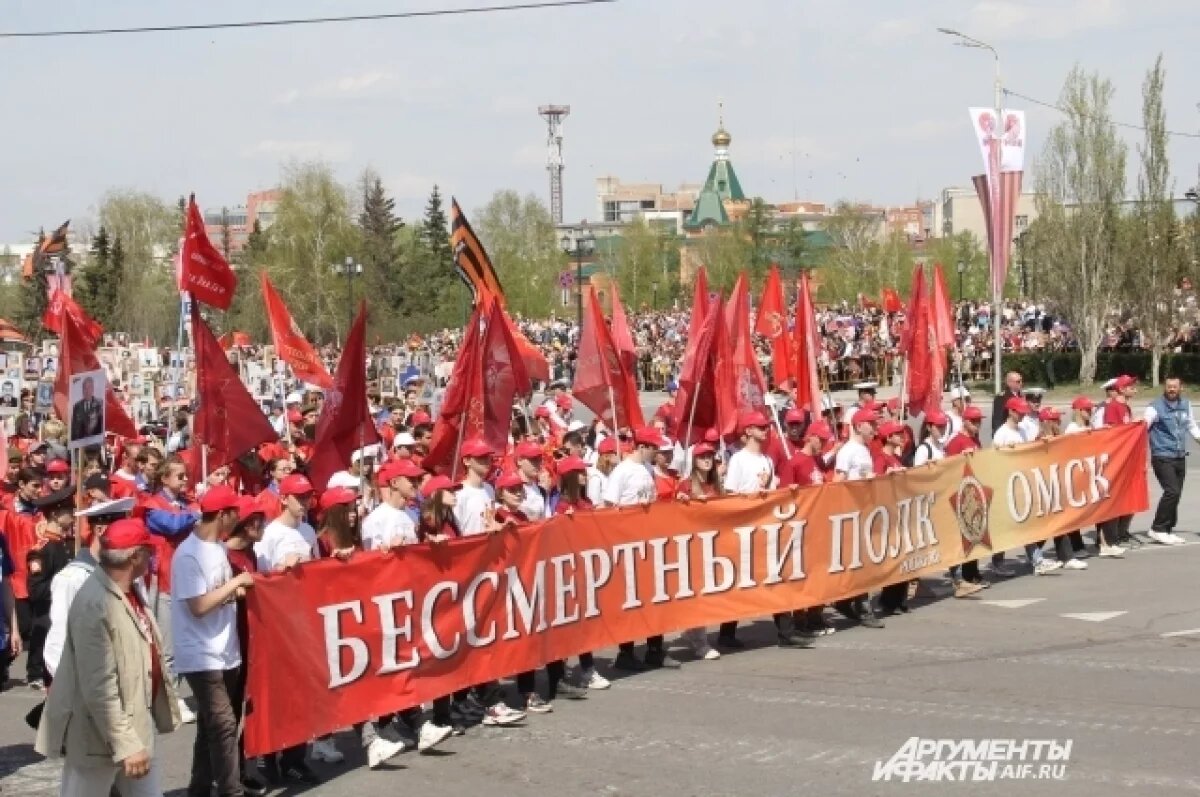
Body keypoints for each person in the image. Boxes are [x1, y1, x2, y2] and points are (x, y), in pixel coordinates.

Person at [35, 518, 182, 797]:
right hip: (97, 737)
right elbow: (98, 687)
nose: (152, 558)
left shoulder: (130, 591)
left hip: (136, 724)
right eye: (148, 552)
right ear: (135, 556)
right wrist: (126, 744)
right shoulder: (94, 602)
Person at [171, 485, 256, 797]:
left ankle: (200, 787)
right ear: (223, 515)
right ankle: (231, 790)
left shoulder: (218, 548)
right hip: (200, 653)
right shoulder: (188, 554)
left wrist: (241, 589)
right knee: (223, 724)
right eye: (235, 514)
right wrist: (235, 583)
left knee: (210, 726)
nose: (238, 520)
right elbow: (199, 606)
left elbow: (223, 593)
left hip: (225, 649)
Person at [604, 427, 678, 671]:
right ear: (643, 447)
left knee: (655, 597)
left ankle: (655, 648)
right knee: (631, 600)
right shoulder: (622, 471)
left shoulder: (647, 469)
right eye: (653, 447)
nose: (656, 452)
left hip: (648, 541)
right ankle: (626, 651)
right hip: (628, 542)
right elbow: (609, 507)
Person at [44, 498, 137, 682]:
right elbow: (60, 637)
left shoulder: (129, 574)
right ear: (100, 530)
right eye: (121, 529)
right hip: (84, 681)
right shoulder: (73, 578)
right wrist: (71, 683)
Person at [142, 455, 200, 724]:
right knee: (168, 643)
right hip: (163, 580)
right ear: (164, 478)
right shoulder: (152, 505)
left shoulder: (186, 503)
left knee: (187, 639)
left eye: (186, 475)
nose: (185, 480)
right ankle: (171, 698)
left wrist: (193, 511)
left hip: (186, 579)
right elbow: (172, 526)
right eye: (179, 476)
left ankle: (175, 693)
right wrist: (195, 514)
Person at [832, 409, 884, 628]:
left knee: (861, 561)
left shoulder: (864, 449)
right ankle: (863, 609)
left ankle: (845, 600)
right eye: (870, 424)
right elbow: (838, 480)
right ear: (859, 425)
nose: (874, 427)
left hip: (865, 511)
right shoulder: (848, 451)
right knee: (858, 562)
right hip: (851, 511)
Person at [1143, 376, 1197, 546]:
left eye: (1175, 386)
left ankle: (1167, 529)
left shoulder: (1185, 405)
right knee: (1171, 491)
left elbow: (1191, 425)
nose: (1171, 389)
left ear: (1181, 387)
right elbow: (1142, 428)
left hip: (1180, 456)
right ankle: (1157, 528)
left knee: (1176, 494)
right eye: (1168, 387)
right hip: (1162, 455)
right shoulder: (1154, 407)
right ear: (1164, 388)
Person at [70, 376, 105, 442]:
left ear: (93, 389)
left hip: (94, 443)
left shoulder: (100, 404)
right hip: (80, 444)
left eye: (89, 387)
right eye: (85, 388)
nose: (87, 391)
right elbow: (73, 428)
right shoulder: (77, 406)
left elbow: (102, 426)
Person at [991, 370, 1025, 436]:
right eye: (1018, 381)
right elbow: (997, 419)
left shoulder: (1022, 396)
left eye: (1021, 381)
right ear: (1009, 383)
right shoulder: (1001, 397)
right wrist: (998, 435)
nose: (1021, 383)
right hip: (1007, 432)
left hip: (1019, 430)